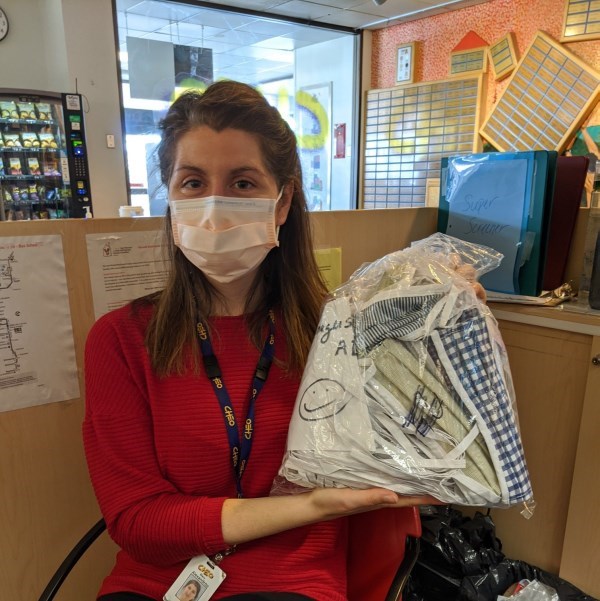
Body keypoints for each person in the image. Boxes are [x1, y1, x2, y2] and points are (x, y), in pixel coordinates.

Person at [83, 80, 448, 601]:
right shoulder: (120, 340)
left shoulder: (340, 331)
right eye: (192, 183)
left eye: (243, 183)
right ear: (169, 198)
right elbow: (138, 521)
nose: (214, 207)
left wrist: (447, 320)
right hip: (158, 583)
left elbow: (425, 449)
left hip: (292, 582)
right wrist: (313, 506)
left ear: (283, 202)